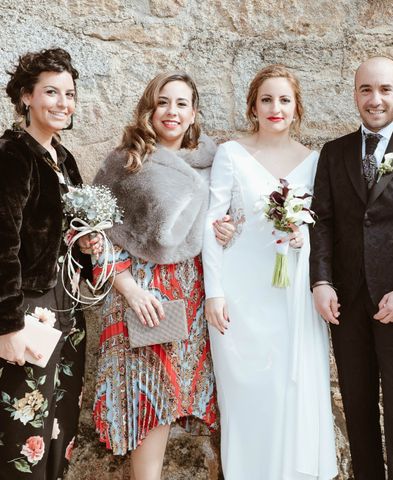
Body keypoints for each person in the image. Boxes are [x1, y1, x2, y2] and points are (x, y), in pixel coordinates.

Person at [310, 56, 393, 479]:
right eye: (366, 90)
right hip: (346, 303)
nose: (375, 99)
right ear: (355, 95)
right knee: (357, 403)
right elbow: (323, 222)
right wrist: (321, 280)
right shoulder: (333, 154)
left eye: (385, 89)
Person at [202, 64, 337, 480]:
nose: (275, 108)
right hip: (241, 289)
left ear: (296, 108)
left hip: (292, 291)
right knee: (245, 393)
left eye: (284, 100)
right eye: (266, 100)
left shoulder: (315, 161)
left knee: (290, 389)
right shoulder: (231, 154)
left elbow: (326, 227)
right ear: (253, 107)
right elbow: (213, 222)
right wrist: (214, 292)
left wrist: (304, 239)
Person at [91, 72, 218, 480]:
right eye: (163, 102)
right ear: (149, 107)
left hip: (193, 297)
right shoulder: (124, 161)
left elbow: (223, 227)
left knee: (185, 400)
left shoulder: (212, 162)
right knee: (150, 405)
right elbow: (96, 233)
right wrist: (130, 291)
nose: (172, 112)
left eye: (182, 104)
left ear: (194, 113)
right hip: (141, 296)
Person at [0, 48, 98, 479]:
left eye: (70, 94)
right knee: (22, 426)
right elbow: (1, 242)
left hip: (66, 310)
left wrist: (86, 246)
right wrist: (6, 326)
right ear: (26, 97)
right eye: (51, 92)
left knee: (59, 422)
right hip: (26, 311)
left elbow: (62, 235)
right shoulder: (11, 155)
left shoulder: (64, 160)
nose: (63, 103)